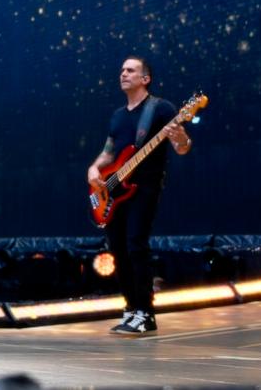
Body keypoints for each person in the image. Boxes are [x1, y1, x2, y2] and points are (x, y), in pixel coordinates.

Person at [86, 56, 192, 336]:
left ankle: (146, 313)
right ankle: (131, 309)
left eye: (130, 70)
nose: (123, 73)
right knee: (118, 251)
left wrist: (179, 135)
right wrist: (94, 168)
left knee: (136, 245)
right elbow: (110, 151)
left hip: (144, 188)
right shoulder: (119, 115)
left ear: (145, 79)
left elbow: (182, 148)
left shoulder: (161, 108)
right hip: (114, 191)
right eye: (122, 69)